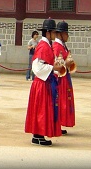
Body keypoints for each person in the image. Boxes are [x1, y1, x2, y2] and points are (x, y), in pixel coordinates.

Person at [25, 18, 63, 146]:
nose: (55, 35)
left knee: (40, 109)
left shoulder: (46, 45)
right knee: (41, 110)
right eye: (53, 32)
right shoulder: (43, 46)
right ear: (48, 33)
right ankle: (39, 135)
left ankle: (37, 135)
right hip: (42, 83)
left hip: (44, 81)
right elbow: (37, 67)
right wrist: (54, 68)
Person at [52, 21, 75, 135]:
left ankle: (60, 122)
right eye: (66, 33)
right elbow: (57, 65)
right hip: (60, 79)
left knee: (64, 100)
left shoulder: (62, 46)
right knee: (60, 101)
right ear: (61, 34)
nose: (67, 36)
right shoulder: (57, 47)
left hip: (65, 76)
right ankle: (57, 123)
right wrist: (66, 63)